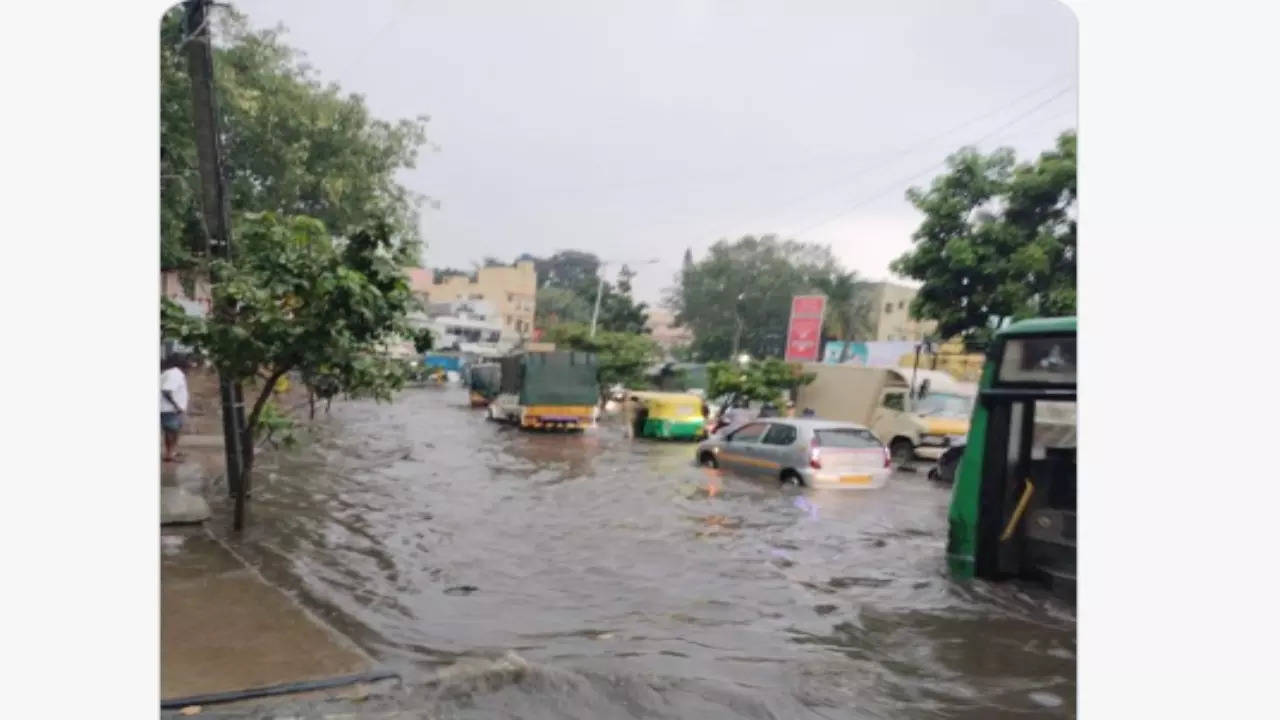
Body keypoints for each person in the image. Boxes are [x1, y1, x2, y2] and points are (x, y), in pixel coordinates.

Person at [160, 354, 190, 463]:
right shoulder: (175, 374)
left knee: (173, 431)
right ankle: (169, 454)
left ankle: (172, 452)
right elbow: (166, 390)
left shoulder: (169, 373)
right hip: (170, 409)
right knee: (171, 431)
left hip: (170, 408)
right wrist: (176, 405)